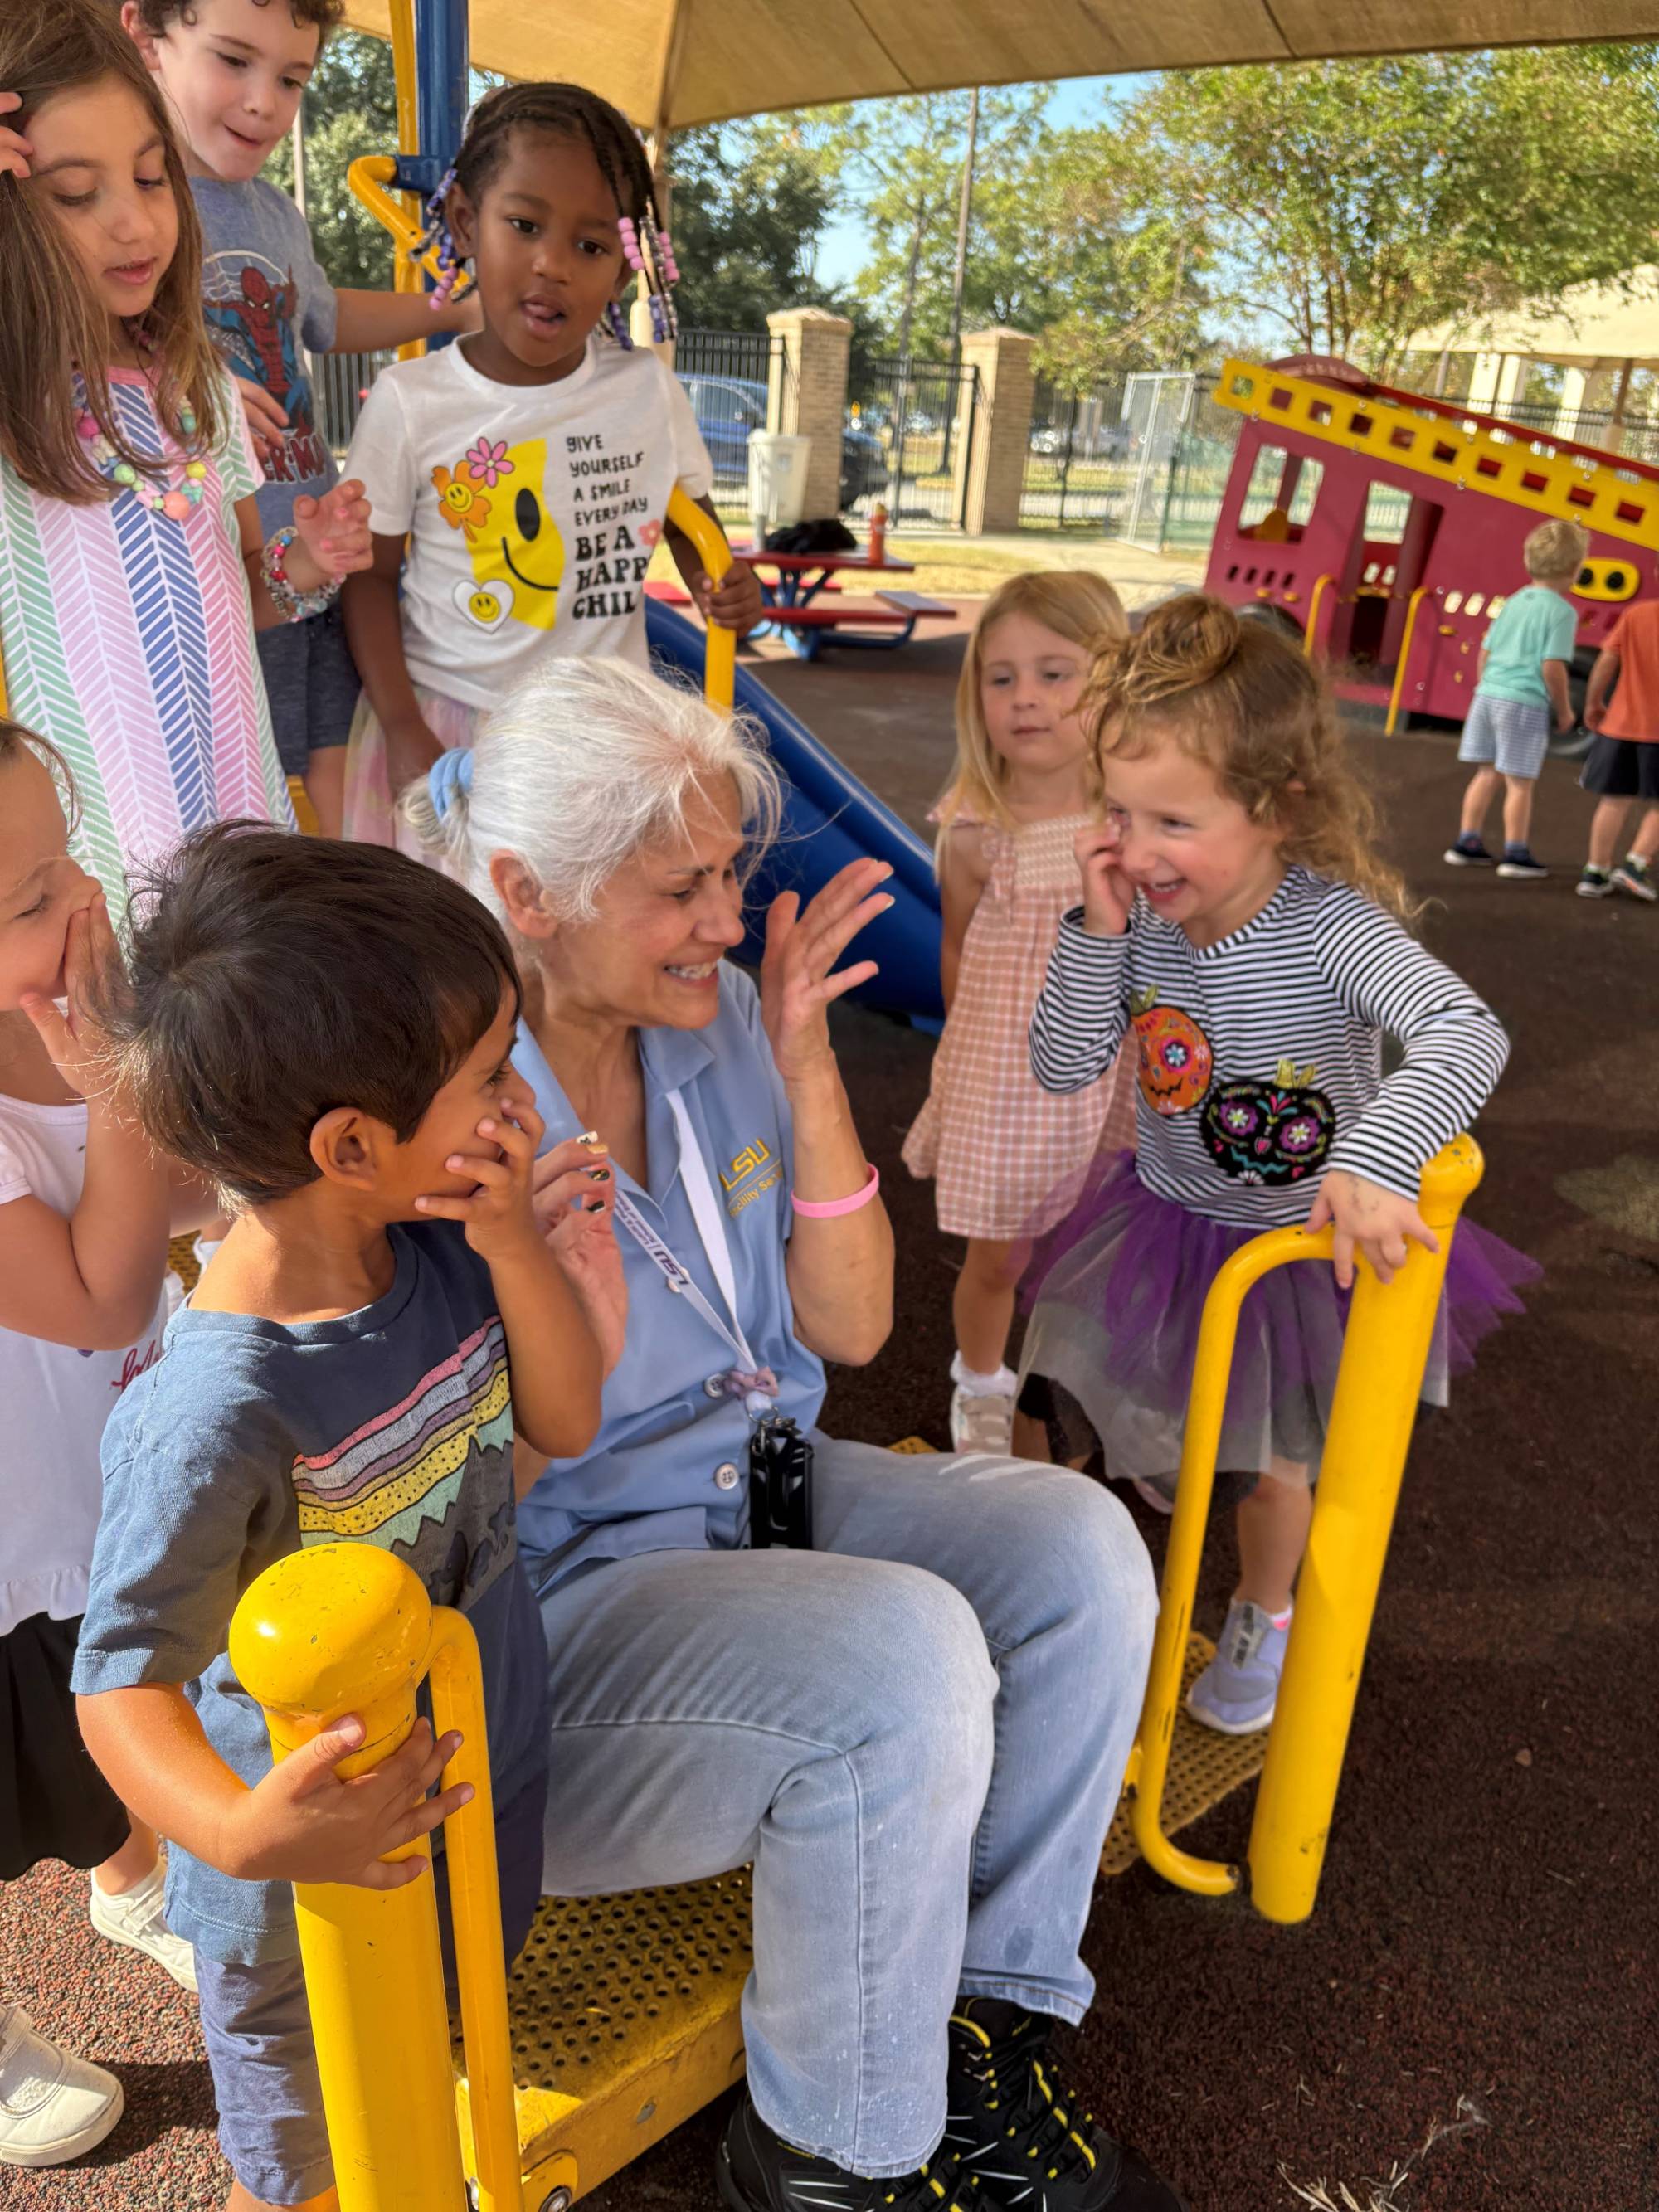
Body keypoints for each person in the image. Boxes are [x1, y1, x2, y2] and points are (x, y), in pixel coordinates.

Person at [401, 655, 1184, 2212]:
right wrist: (561, 1328)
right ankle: (833, 2151)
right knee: (900, 1659)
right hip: (552, 1608)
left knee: (1079, 1546)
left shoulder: (711, 1030)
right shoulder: (442, 1116)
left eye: (730, 876)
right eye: (680, 888)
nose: (725, 918)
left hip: (749, 1495)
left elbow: (848, 1330)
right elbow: (437, 1517)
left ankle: (979, 2017)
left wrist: (810, 1067)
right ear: (525, 891)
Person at [71, 825, 620, 2212]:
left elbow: (563, 1421)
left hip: (469, 1773)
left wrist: (515, 1247)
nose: (519, 1100)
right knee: (308, 2163)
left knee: (422, 2064)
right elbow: (120, 1681)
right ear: (353, 1142)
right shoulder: (215, 1408)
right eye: (491, 1074)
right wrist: (248, 1835)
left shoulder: (437, 1243)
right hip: (299, 1891)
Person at [1021, 596, 1534, 1737]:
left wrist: (1380, 1150)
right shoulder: (1136, 916)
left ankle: (1262, 1610)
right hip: (1158, 1219)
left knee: (1267, 1465)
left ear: (1277, 806)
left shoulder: (1327, 927)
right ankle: (1056, 1590)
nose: (1139, 851)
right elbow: (1061, 1064)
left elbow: (1466, 1030)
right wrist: (1095, 929)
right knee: (1062, 1399)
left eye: (1174, 821)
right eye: (1118, 812)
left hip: (1294, 1249)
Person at [0, 0, 372, 926]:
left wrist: (307, 565)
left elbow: (249, 584)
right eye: (77, 195)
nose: (136, 226)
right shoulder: (16, 399)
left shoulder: (198, 381)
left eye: (153, 177)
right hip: (95, 857)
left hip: (237, 819)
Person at [339, 80, 764, 845]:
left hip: (602, 745)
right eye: (525, 224)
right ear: (466, 222)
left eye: (591, 245)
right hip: (455, 737)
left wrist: (727, 588)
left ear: (625, 270)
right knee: (456, 955)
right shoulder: (411, 402)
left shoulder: (647, 391)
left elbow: (696, 536)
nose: (553, 264)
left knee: (583, 951)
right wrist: (403, 725)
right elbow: (368, 576)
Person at [122, 0, 484, 837]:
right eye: (233, 61)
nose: (264, 102)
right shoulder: (134, 211)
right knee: (252, 801)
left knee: (346, 790)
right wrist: (181, 385)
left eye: (291, 78)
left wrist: (452, 314)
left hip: (321, 540)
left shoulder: (274, 213)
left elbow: (323, 320)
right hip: (233, 564)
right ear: (145, 39)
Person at [0, 718, 201, 2171]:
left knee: (114, 1686)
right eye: (22, 903)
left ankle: (130, 1877)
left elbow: (187, 1189)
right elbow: (98, 1292)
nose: (74, 904)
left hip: (98, 1483)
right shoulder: (82, 1045)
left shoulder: (68, 1018)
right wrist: (122, 1071)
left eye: (61, 857)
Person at [902, 572, 1135, 1458]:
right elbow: (958, 948)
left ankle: (1075, 1392)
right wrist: (965, 1061)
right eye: (1000, 679)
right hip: (1010, 1074)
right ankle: (980, 1383)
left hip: (1114, 1074)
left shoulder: (1132, 819)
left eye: (1052, 673)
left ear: (1111, 684)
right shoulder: (973, 829)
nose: (1024, 699)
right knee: (997, 1255)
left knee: (1090, 1253)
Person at [1443, 518, 1587, 882]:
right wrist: (1566, 710)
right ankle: (1516, 853)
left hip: (1488, 695)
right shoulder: (1562, 612)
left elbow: (1485, 652)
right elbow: (1552, 666)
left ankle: (1467, 842)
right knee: (1520, 782)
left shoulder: (1514, 601)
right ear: (1574, 569)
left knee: (1486, 772)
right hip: (1523, 701)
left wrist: (1486, 687)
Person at [1574, 591, 1659, 902]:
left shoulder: (1637, 613)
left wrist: (1594, 702)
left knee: (1614, 800)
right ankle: (1635, 865)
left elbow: (1607, 660)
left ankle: (1595, 872)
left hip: (1620, 726)